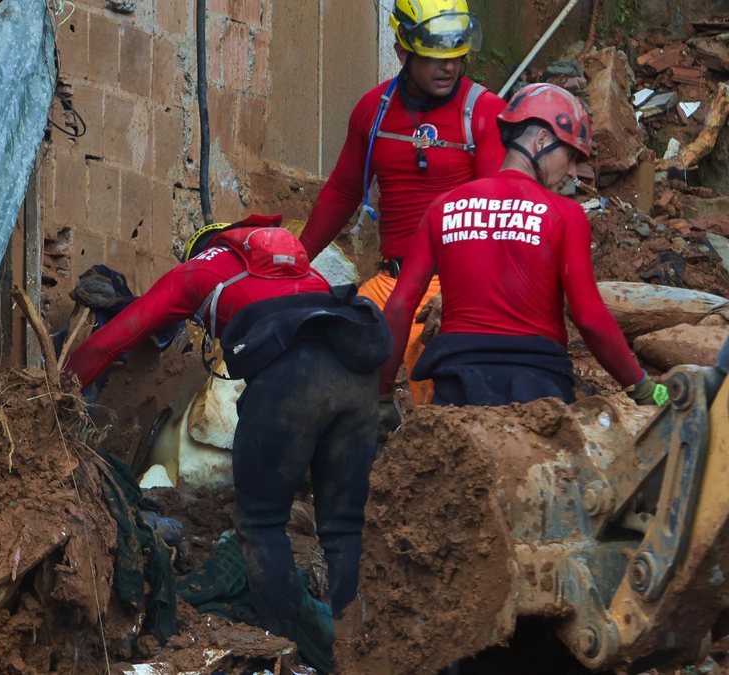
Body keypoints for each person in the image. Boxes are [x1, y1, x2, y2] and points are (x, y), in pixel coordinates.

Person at [62, 215, 392, 671]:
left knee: (261, 524)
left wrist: (57, 387)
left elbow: (114, 340)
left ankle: (287, 645)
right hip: (357, 377)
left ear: (202, 249)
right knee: (342, 525)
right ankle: (351, 647)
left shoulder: (196, 271)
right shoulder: (301, 270)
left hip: (291, 380)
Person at [377, 83, 669, 413]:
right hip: (538, 389)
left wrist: (382, 396)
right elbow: (588, 318)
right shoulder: (564, 215)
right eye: (571, 156)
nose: (573, 172)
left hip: (457, 386)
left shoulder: (443, 208)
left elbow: (399, 306)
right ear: (541, 140)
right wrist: (642, 387)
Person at [299, 0, 504, 404]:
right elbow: (342, 192)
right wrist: (297, 261)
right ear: (401, 51)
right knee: (332, 369)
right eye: (435, 57)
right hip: (391, 281)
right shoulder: (373, 112)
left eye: (456, 55)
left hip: (454, 282)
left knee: (436, 392)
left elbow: (494, 216)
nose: (449, 67)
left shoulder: (483, 112)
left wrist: (467, 295)